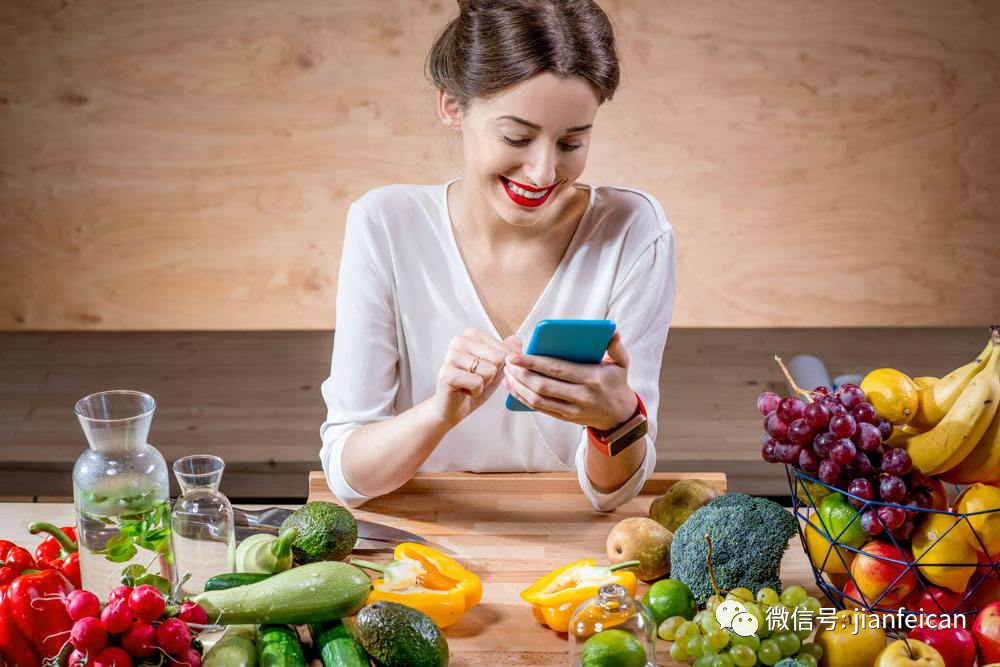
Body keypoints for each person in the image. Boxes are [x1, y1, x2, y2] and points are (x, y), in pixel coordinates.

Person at [320, 0, 676, 511]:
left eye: (572, 141)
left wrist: (617, 419)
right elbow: (349, 476)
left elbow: (612, 493)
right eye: (517, 137)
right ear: (452, 106)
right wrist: (439, 412)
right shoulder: (385, 224)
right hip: (427, 538)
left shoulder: (634, 232)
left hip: (572, 545)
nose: (543, 172)